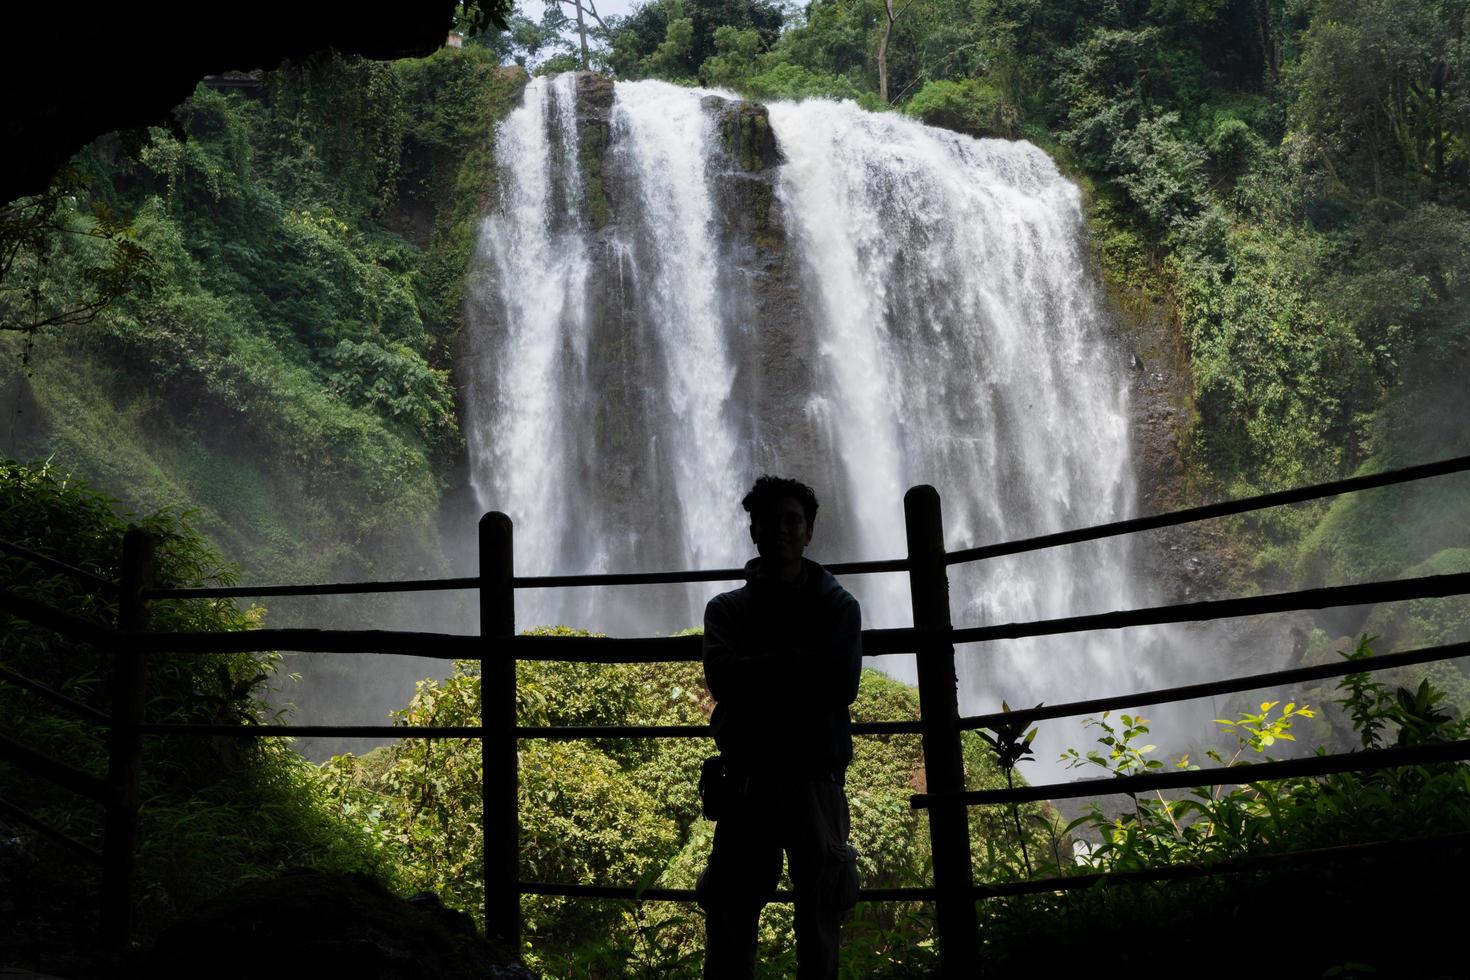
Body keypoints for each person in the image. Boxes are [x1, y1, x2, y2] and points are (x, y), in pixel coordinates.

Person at [696, 475, 862, 980]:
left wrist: (759, 671)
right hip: (750, 784)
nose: (783, 530)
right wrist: (796, 661)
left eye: (793, 520)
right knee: (731, 924)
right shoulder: (725, 610)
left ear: (809, 531)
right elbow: (723, 677)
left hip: (815, 781)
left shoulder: (839, 607)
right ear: (754, 531)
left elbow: (842, 685)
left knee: (818, 926)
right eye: (771, 521)